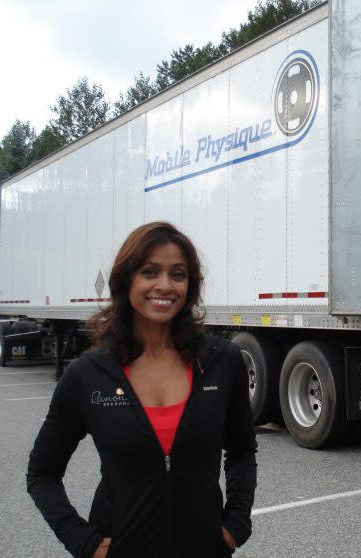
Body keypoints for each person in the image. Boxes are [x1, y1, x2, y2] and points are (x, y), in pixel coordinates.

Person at [27, 222, 257, 558]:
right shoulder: (87, 375)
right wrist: (82, 541)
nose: (165, 285)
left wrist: (236, 525)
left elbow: (241, 450)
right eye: (150, 272)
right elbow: (42, 474)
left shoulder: (222, 361)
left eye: (178, 274)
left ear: (190, 285)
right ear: (126, 280)